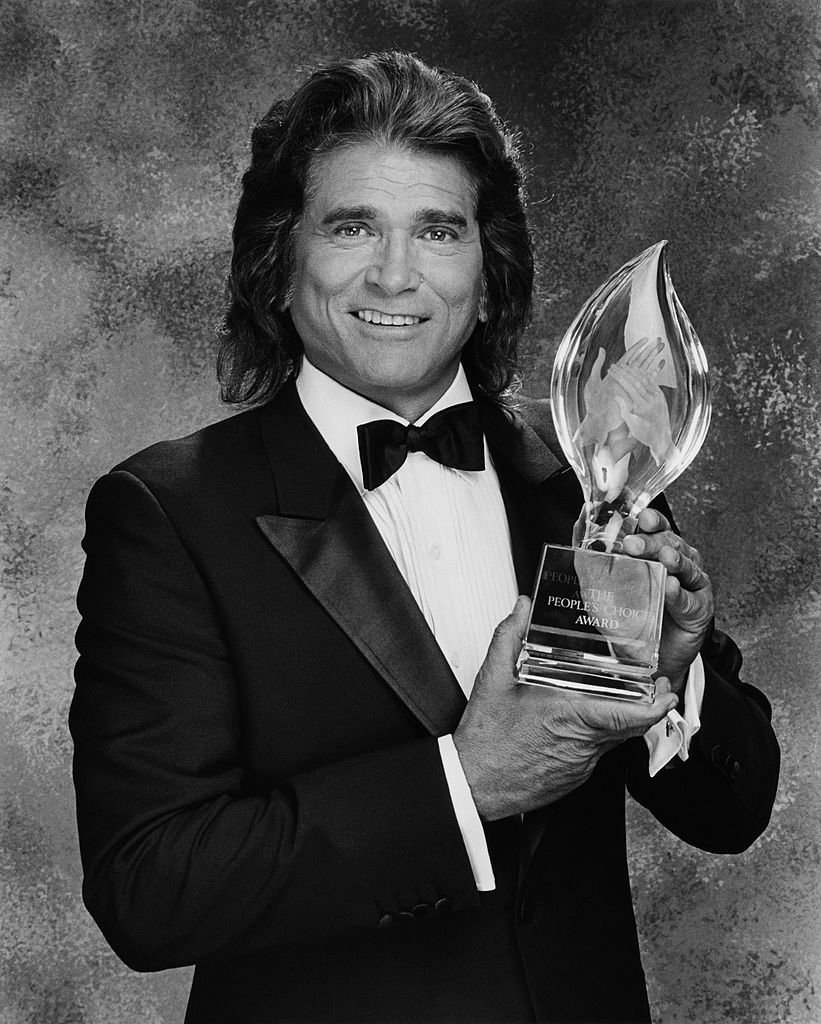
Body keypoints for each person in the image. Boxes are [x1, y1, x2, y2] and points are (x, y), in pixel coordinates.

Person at [70, 52, 780, 1024]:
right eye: (352, 226)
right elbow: (148, 890)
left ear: (486, 279)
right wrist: (464, 784)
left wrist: (674, 678)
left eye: (437, 231)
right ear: (278, 264)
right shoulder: (167, 513)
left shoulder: (586, 471)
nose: (396, 273)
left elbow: (732, 812)